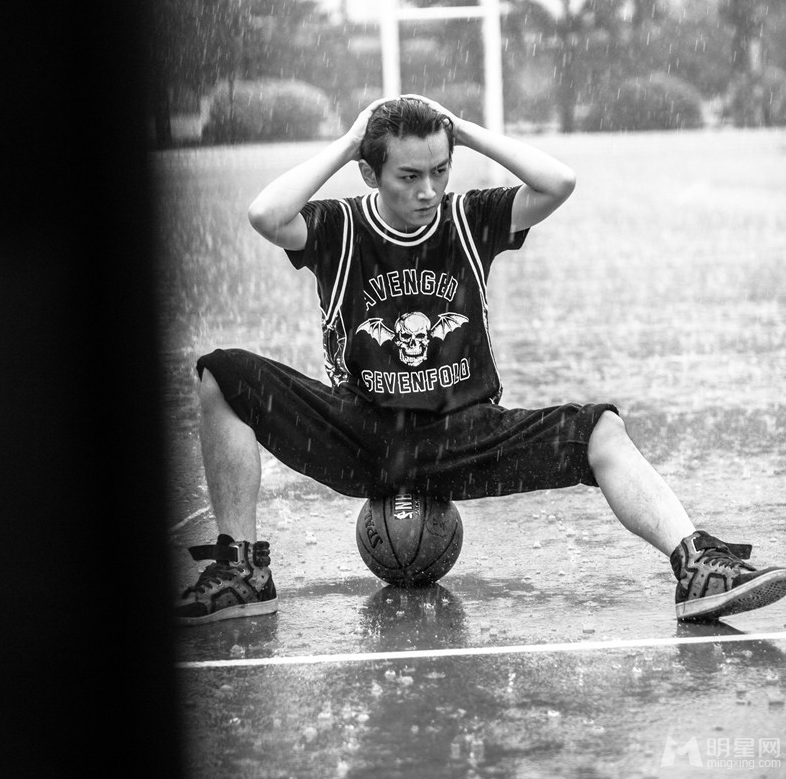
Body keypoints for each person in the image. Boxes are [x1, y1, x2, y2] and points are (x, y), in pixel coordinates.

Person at [175, 95, 786, 626]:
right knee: (223, 375)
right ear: (370, 173)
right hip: (358, 431)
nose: (428, 190)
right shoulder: (339, 226)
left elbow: (557, 183)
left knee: (601, 428)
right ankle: (243, 573)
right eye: (408, 175)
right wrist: (344, 143)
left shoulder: (469, 218)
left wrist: (462, 129)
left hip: (465, 436)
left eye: (440, 170)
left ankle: (696, 565)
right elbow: (265, 215)